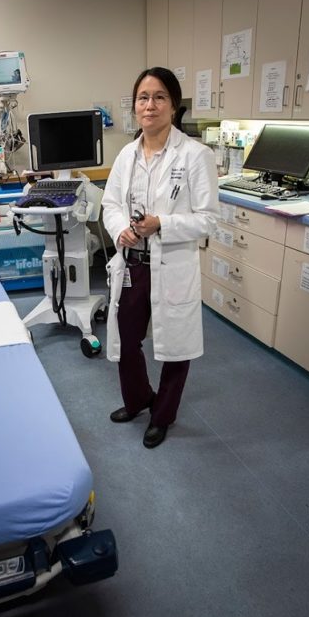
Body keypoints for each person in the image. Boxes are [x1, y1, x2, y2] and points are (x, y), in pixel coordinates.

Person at [101, 67, 219, 449]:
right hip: (133, 264)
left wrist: (161, 224)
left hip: (171, 264)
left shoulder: (196, 155)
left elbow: (208, 219)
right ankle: (138, 401)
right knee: (125, 339)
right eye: (142, 98)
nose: (149, 105)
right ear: (135, 106)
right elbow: (110, 203)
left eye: (159, 97)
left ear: (173, 106)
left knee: (176, 345)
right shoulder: (126, 155)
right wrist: (122, 228)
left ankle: (162, 415)